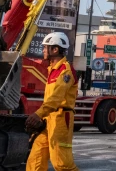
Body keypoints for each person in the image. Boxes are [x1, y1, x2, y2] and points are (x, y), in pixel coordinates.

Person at [25, 32, 79, 171]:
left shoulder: (65, 70)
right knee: (35, 159)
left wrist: (38, 114)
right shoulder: (52, 70)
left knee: (62, 164)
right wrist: (43, 116)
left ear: (55, 50)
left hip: (61, 119)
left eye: (45, 47)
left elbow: (57, 97)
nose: (43, 50)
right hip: (49, 119)